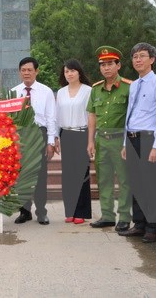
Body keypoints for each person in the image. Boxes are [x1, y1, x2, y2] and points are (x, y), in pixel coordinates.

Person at [119, 42, 156, 243]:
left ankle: (152, 227)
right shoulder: (134, 85)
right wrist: (125, 142)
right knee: (136, 183)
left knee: (150, 184)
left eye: (142, 56)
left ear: (152, 59)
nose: (138, 60)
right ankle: (139, 224)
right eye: (135, 57)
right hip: (132, 138)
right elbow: (129, 116)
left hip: (149, 139)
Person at [86, 46, 132, 232]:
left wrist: (127, 142)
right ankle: (107, 215)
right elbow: (92, 115)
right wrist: (90, 140)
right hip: (101, 140)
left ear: (118, 65)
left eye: (110, 64)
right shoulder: (96, 89)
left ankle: (124, 217)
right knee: (103, 179)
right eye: (102, 65)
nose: (106, 68)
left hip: (119, 139)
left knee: (124, 180)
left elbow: (133, 116)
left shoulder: (129, 87)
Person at [11, 57, 56, 225]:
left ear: (36, 71)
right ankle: (24, 211)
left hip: (39, 134)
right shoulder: (14, 91)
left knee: (40, 175)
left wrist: (51, 142)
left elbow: (52, 118)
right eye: (23, 70)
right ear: (20, 72)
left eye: (30, 70)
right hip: (20, 135)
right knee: (21, 175)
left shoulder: (46, 91)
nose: (26, 73)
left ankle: (41, 212)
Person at [54, 59, 92, 225]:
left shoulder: (88, 91)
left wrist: (92, 139)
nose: (69, 74)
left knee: (81, 174)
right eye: (66, 71)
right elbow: (56, 117)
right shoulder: (61, 92)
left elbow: (92, 116)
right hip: (66, 135)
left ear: (79, 72)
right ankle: (70, 210)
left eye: (72, 71)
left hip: (82, 134)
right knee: (68, 175)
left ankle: (81, 211)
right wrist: (56, 137)